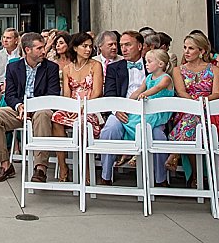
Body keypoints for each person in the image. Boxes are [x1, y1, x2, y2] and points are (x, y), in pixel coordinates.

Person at [0, 32, 61, 184]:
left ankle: (40, 168)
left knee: (42, 115)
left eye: (43, 47)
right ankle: (5, 165)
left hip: (41, 108)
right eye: (39, 48)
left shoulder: (51, 68)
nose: (43, 51)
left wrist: (31, 108)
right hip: (19, 110)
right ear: (28, 50)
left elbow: (52, 95)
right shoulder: (14, 67)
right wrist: (20, 106)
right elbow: (10, 94)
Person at [98, 30, 170, 187]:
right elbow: (109, 94)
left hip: (150, 112)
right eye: (121, 45)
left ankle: (160, 179)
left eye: (128, 45)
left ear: (139, 46)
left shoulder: (153, 64)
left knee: (158, 135)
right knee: (110, 129)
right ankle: (106, 175)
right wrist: (117, 110)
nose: (123, 49)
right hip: (122, 111)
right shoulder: (114, 68)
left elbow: (164, 90)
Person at [166, 32, 219, 185]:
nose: (186, 51)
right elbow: (181, 92)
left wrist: (202, 102)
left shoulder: (215, 70)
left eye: (191, 48)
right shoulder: (178, 70)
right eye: (185, 47)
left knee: (197, 119)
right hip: (186, 108)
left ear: (202, 51)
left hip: (210, 109)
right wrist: (194, 104)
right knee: (193, 118)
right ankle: (196, 175)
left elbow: (217, 93)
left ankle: (179, 157)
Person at [51, 32, 103, 182]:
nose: (88, 50)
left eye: (90, 46)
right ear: (75, 48)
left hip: (90, 106)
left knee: (81, 123)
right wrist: (71, 108)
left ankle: (85, 168)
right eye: (84, 46)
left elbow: (97, 92)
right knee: (56, 118)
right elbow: (67, 94)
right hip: (72, 106)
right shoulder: (68, 68)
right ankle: (63, 167)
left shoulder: (95, 65)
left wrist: (83, 107)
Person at [123, 49, 174, 141]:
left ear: (161, 64)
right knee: (131, 119)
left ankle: (139, 143)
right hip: (148, 109)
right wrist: (128, 103)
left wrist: (144, 94)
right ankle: (133, 145)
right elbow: (138, 91)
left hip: (159, 110)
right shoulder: (148, 78)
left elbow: (157, 88)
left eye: (149, 62)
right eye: (146, 61)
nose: (146, 64)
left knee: (140, 122)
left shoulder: (166, 78)